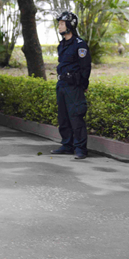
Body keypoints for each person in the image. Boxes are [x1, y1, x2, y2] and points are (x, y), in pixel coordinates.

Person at [51, 11, 92, 160]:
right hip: (62, 84)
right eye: (59, 24)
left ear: (70, 25)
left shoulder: (80, 45)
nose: (59, 27)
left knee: (76, 116)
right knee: (63, 117)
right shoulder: (62, 45)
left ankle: (80, 148)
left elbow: (85, 67)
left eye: (62, 24)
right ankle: (67, 145)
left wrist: (83, 84)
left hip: (74, 86)